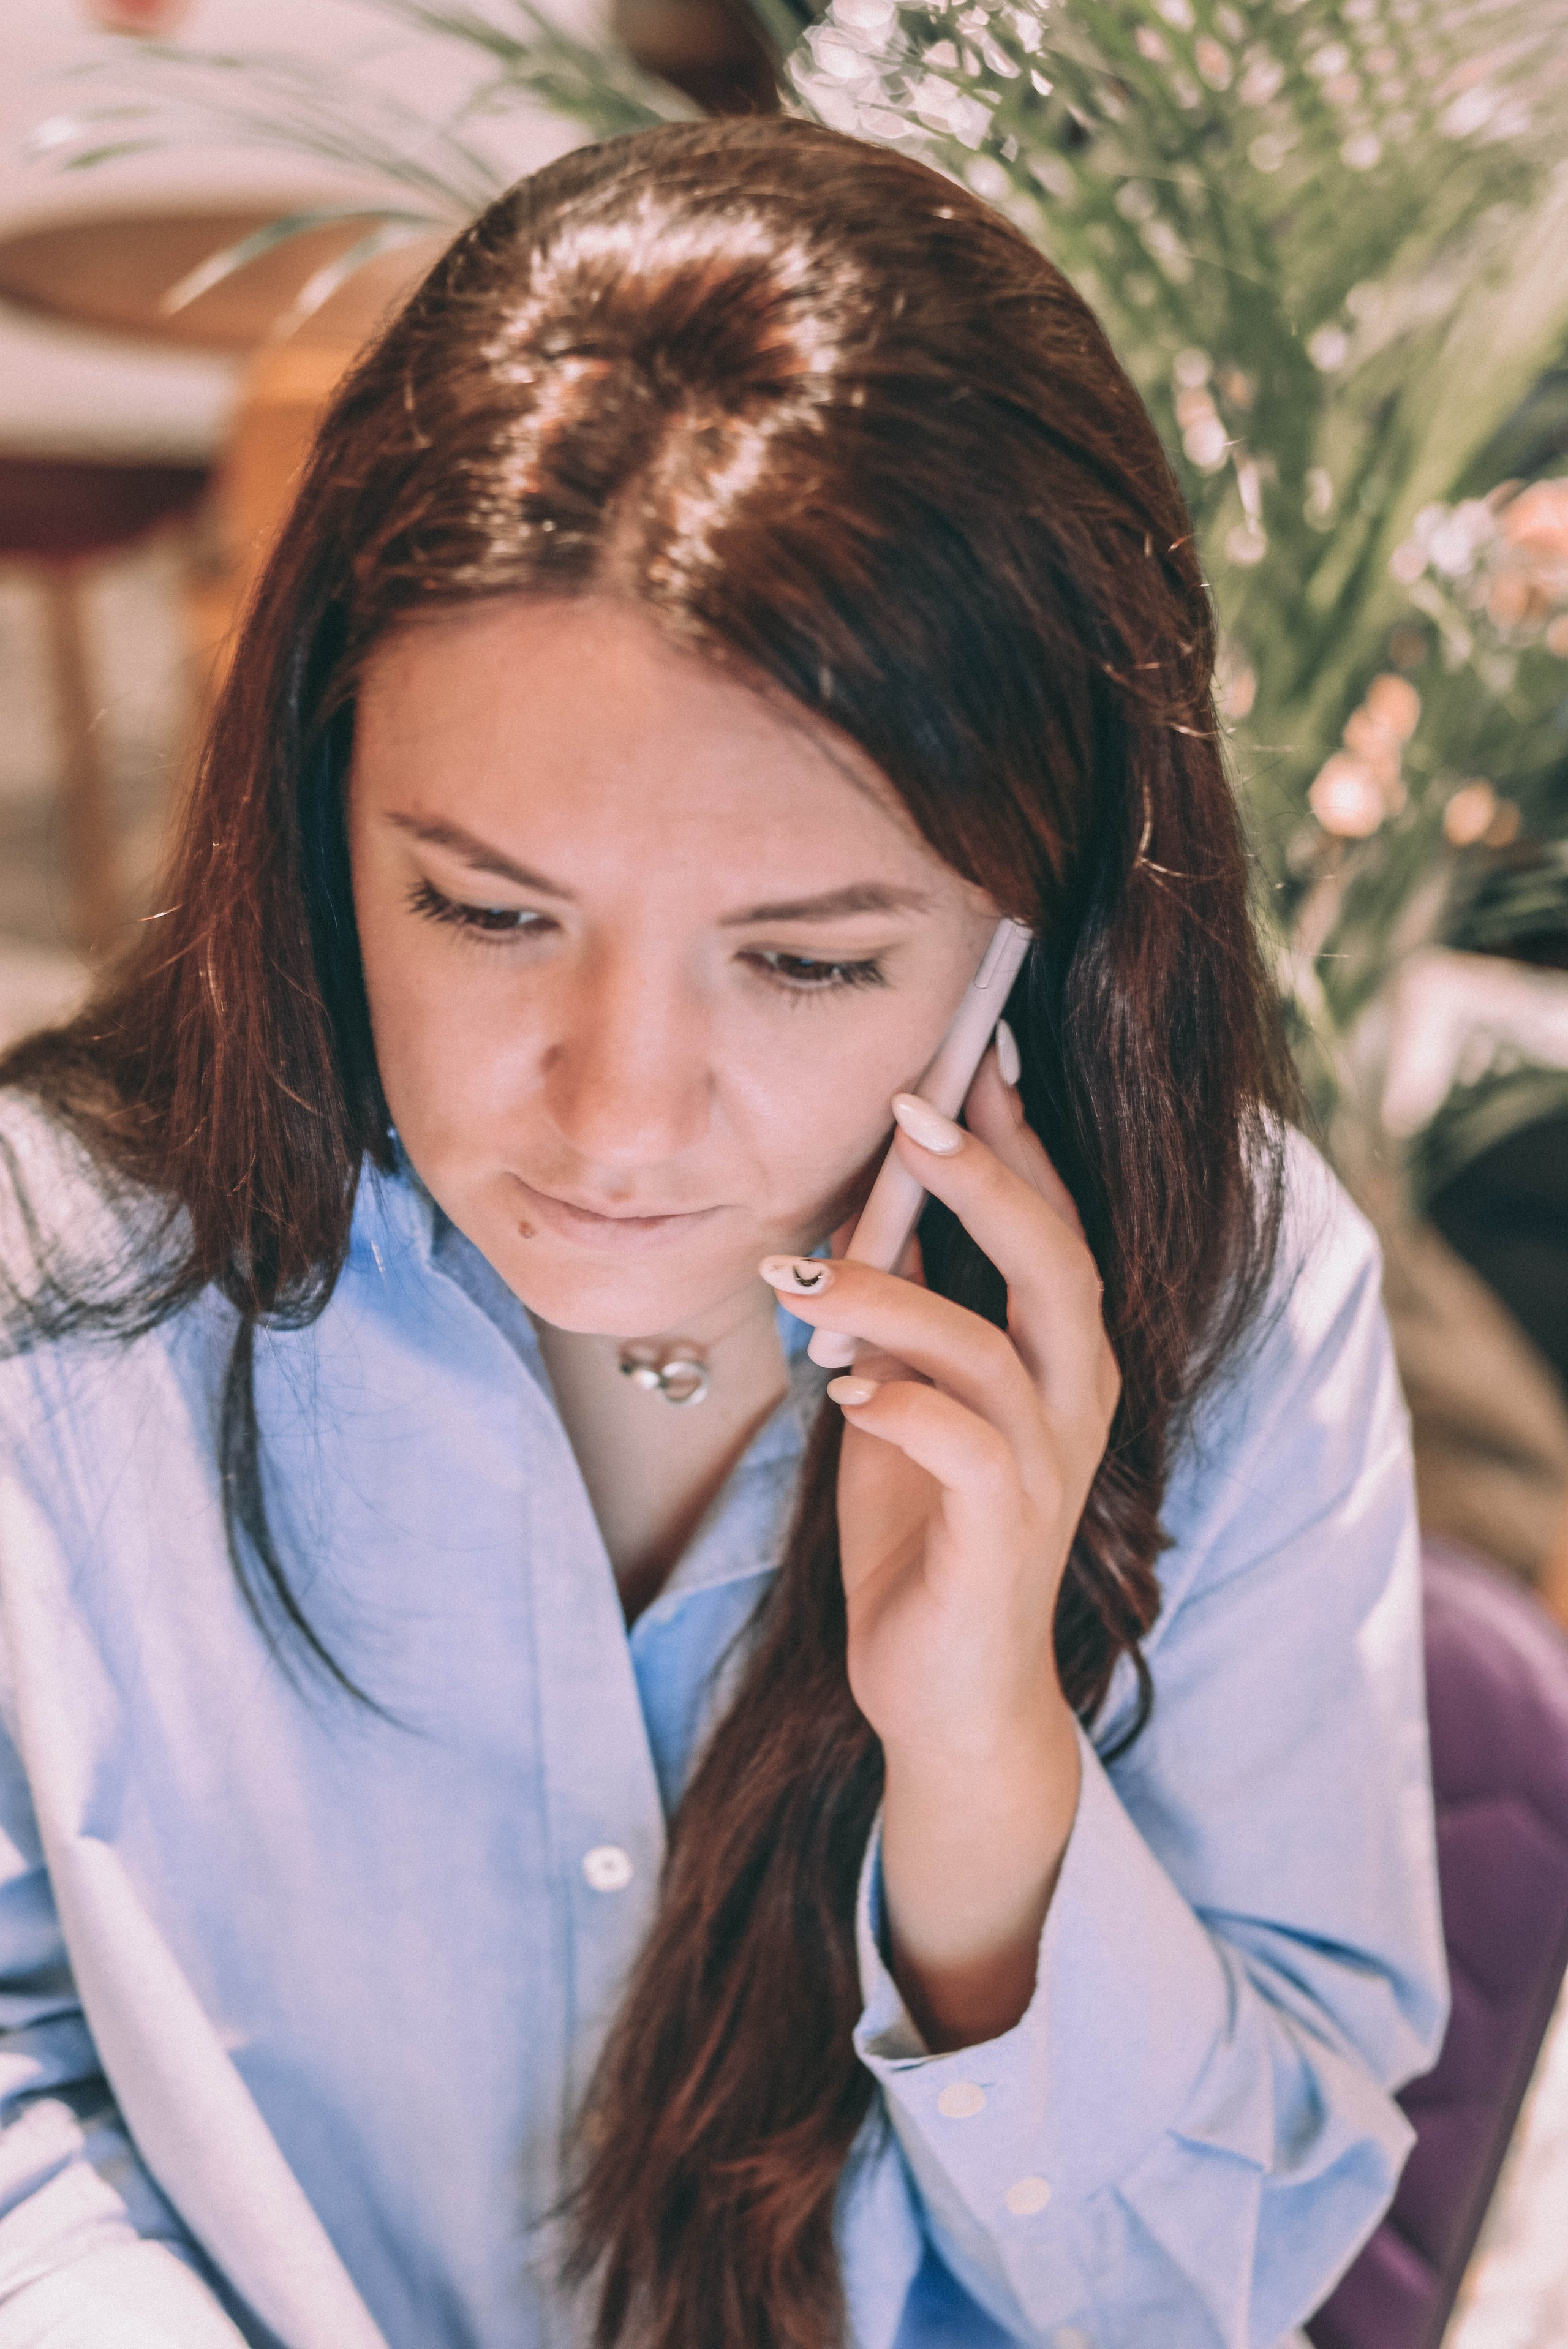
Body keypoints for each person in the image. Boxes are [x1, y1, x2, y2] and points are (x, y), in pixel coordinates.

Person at [0, 118, 1446, 2349]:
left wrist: (983, 1762)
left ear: (1029, 924)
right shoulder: (70, 1279)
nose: (618, 1110)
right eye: (485, 911)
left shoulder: (1237, 1312)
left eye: (806, 962)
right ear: (315, 807)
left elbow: (1211, 2291)